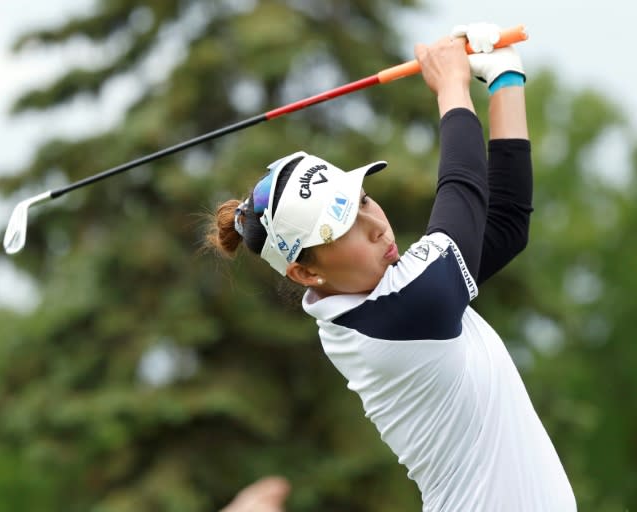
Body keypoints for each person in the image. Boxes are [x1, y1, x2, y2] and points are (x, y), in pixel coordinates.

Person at [208, 22, 576, 511]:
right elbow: (463, 192)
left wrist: (506, 81)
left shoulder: (394, 294)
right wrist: (451, 88)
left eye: (362, 200)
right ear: (304, 273)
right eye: (342, 227)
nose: (376, 225)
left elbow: (505, 224)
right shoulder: (397, 314)